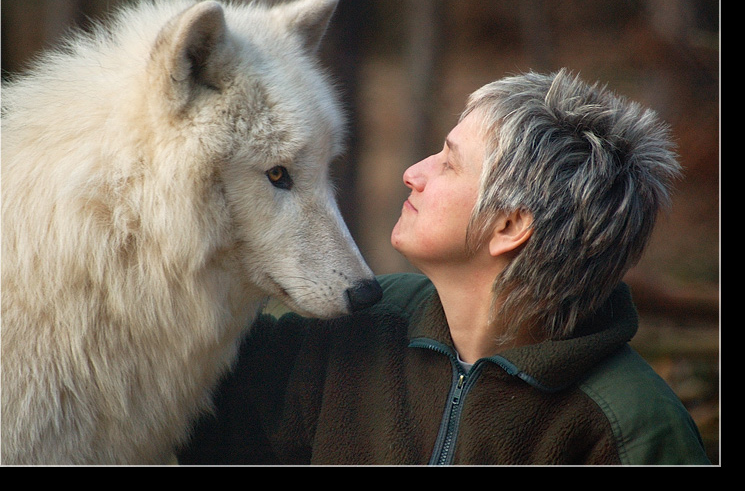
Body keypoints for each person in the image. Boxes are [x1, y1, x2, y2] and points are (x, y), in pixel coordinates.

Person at [177, 69, 711, 465]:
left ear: (509, 226)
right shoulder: (354, 331)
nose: (414, 173)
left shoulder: (632, 430)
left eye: (449, 163)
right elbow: (172, 422)